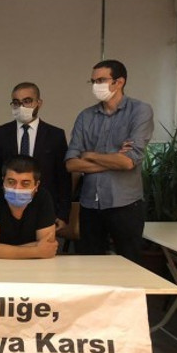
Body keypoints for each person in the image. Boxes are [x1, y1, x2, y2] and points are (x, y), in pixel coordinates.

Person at [65, 60, 154, 263]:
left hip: (125, 203)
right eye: (93, 81)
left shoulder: (140, 111)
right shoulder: (86, 116)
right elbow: (71, 163)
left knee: (129, 265)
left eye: (101, 80)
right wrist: (114, 157)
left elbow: (128, 162)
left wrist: (90, 154)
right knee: (89, 264)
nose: (96, 85)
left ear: (119, 82)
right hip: (90, 203)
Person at [0, 82, 71, 230]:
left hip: (44, 207)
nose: (21, 107)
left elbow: (64, 178)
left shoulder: (55, 135)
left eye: (27, 101)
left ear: (39, 103)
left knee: (42, 244)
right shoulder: (0, 133)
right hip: (7, 206)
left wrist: (63, 214)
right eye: (16, 102)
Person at [0, 155, 58, 259]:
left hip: (34, 264)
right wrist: (36, 251)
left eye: (25, 183)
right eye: (11, 182)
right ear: (3, 181)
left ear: (37, 185)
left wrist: (1, 250)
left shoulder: (43, 198)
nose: (17, 189)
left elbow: (48, 246)